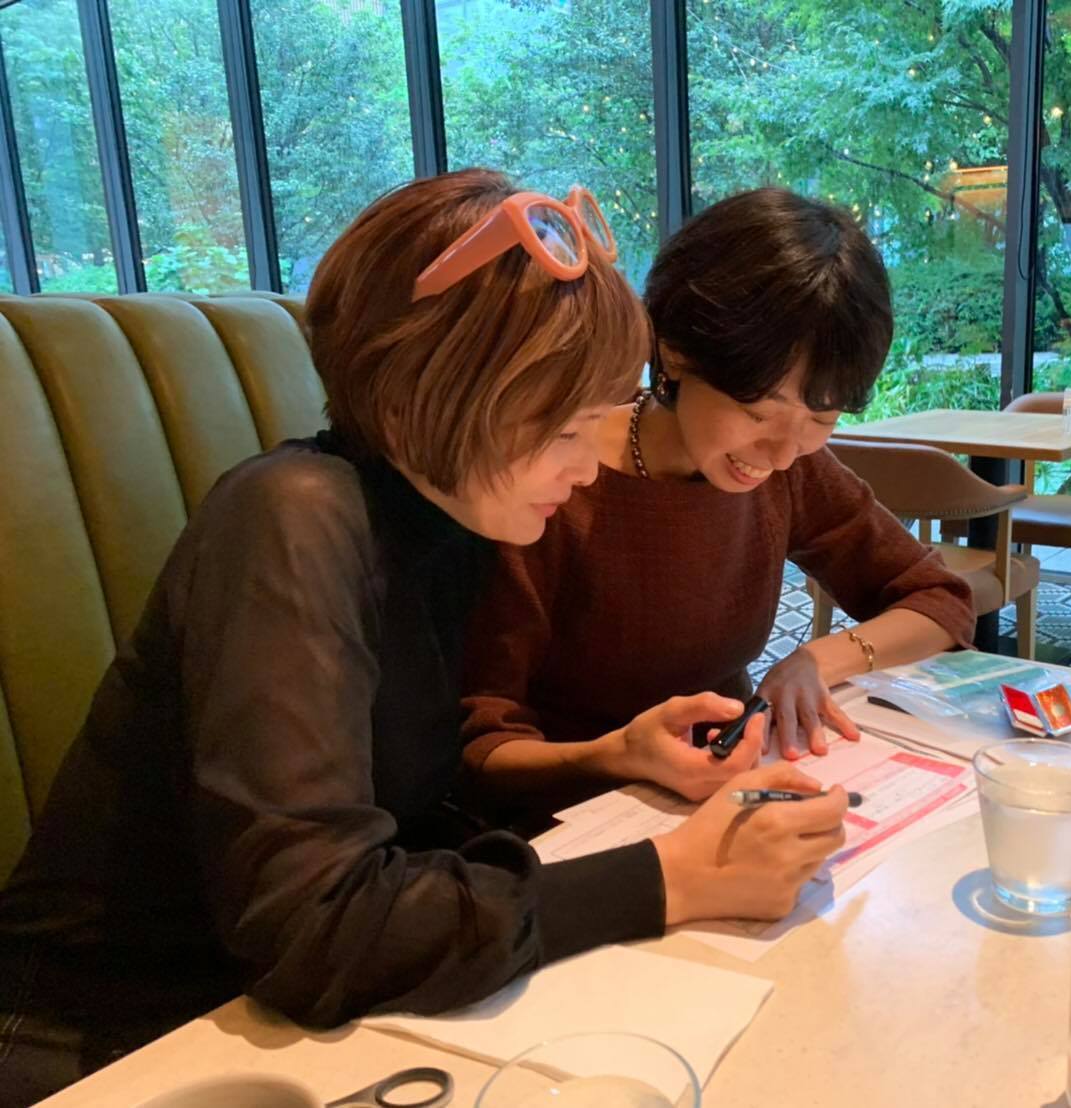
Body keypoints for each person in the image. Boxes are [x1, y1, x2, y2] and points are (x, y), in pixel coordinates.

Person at [0, 170, 847, 1106]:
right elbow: (316, 926)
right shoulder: (292, 520)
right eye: (565, 431)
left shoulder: (445, 527)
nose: (586, 467)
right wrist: (671, 879)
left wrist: (614, 758)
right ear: (422, 401)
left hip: (281, 1018)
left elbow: (411, 813)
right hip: (105, 1038)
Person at [460, 187, 976, 813]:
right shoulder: (549, 482)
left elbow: (939, 600)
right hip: (571, 825)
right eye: (758, 412)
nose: (782, 452)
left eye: (823, 418)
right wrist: (618, 754)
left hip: (723, 795)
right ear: (676, 353)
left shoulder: (791, 468)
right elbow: (480, 747)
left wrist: (817, 660)